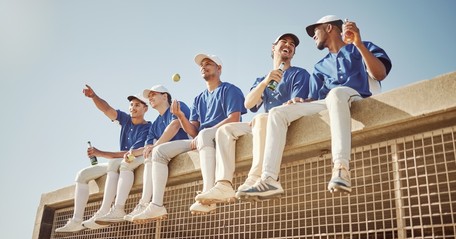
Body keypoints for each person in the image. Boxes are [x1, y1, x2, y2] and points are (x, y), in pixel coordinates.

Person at [236, 15, 392, 200]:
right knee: (277, 113)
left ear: (328, 28)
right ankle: (270, 179)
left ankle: (341, 168)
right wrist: (300, 102)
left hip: (355, 96)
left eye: (315, 31)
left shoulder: (360, 47)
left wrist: (358, 43)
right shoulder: (319, 66)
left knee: (336, 94)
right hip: (328, 103)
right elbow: (316, 99)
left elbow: (379, 74)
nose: (313, 36)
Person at [193, 33, 310, 205]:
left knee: (262, 118)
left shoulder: (299, 74)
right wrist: (266, 81)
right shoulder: (262, 79)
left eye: (292, 44)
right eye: (283, 42)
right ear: (274, 47)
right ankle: (224, 184)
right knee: (226, 130)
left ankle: (253, 178)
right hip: (262, 123)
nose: (288, 45)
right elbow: (249, 104)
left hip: (282, 123)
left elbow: (294, 105)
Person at [131, 53, 246, 222]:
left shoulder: (230, 89)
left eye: (208, 64)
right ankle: (156, 205)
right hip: (203, 139)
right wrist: (180, 116)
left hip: (225, 133)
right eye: (201, 65)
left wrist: (202, 135)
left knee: (205, 134)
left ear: (219, 69)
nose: (203, 67)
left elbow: (234, 119)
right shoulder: (198, 98)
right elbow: (193, 131)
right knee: (159, 152)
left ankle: (208, 192)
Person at [55, 85, 151, 233]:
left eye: (137, 105)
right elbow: (106, 109)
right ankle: (76, 221)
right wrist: (94, 96)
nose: (133, 108)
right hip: (117, 162)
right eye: (131, 105)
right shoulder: (125, 120)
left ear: (146, 109)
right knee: (82, 175)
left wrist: (100, 153)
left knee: (113, 161)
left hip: (130, 162)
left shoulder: (147, 128)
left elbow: (128, 154)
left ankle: (103, 213)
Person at [93, 85, 191, 225]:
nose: (150, 97)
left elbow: (174, 126)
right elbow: (147, 147)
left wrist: (155, 146)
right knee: (136, 160)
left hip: (187, 146)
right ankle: (138, 205)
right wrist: (131, 154)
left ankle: (151, 204)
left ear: (164, 96)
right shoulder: (155, 124)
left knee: (155, 151)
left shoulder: (177, 105)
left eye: (153, 94)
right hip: (164, 155)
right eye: (149, 96)